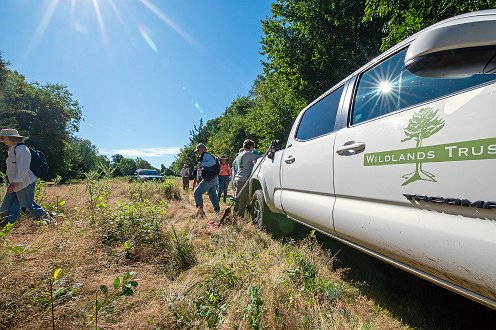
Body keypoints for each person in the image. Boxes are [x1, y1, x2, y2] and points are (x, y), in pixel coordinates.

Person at [0, 129, 51, 225]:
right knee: (6, 206)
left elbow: (23, 168)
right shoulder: (11, 150)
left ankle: (46, 220)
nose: (2, 141)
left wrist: (15, 182)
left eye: (3, 138)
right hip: (14, 185)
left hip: (24, 183)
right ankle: (6, 224)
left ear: (11, 137)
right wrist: (12, 183)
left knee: (27, 207)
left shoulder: (22, 149)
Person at [233, 139, 260, 218]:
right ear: (251, 146)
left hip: (238, 178)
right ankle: (240, 217)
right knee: (243, 200)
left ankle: (234, 214)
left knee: (237, 198)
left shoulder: (240, 154)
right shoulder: (249, 154)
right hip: (244, 179)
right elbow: (260, 157)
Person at [193, 143, 220, 217]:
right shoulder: (206, 155)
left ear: (202, 149)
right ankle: (217, 210)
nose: (197, 152)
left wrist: (202, 165)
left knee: (197, 193)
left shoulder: (206, 155)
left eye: (198, 150)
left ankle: (200, 212)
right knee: (212, 195)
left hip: (209, 179)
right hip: (212, 178)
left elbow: (212, 162)